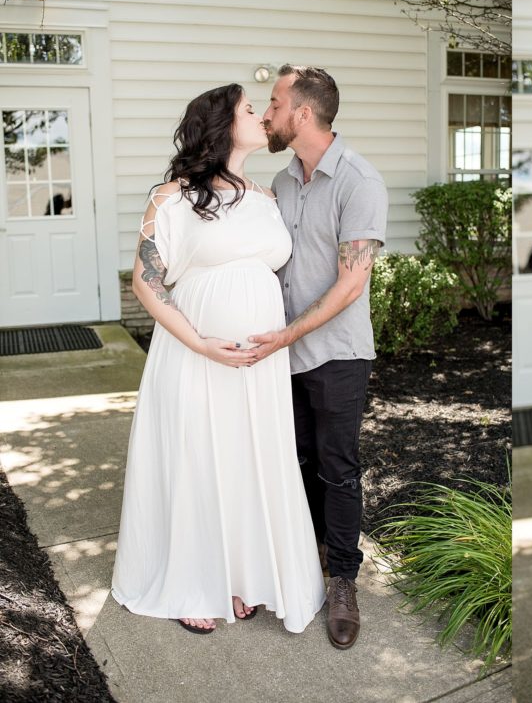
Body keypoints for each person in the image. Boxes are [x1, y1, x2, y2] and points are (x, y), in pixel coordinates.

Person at [111, 84, 326, 635]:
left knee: (244, 458)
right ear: (222, 126)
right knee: (198, 457)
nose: (260, 116)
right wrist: (203, 343)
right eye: (249, 110)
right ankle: (190, 581)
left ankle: (234, 573)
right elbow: (146, 282)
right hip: (195, 352)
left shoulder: (267, 197)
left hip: (260, 361)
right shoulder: (174, 196)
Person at [249, 65, 388, 650]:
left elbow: (351, 284)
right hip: (282, 352)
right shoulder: (280, 183)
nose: (267, 114)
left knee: (337, 465)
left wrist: (288, 336)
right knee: (296, 459)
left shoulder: (359, 180)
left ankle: (343, 582)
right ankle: (306, 562)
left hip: (334, 353)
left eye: (275, 104)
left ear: (302, 113)